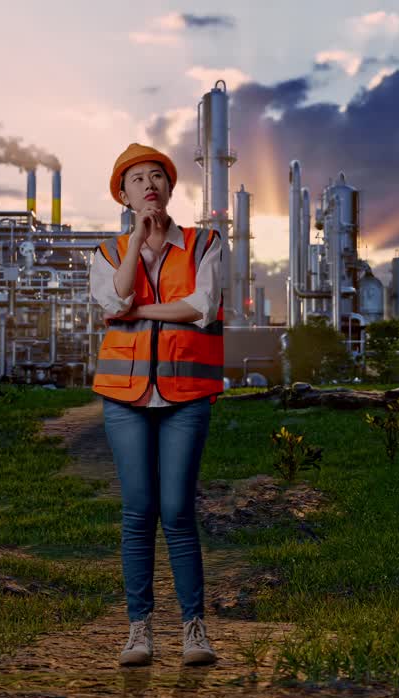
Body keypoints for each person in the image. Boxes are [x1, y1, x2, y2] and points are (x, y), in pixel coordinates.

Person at [89, 142, 225, 667]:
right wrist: (133, 249)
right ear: (123, 194)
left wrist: (139, 309)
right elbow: (113, 299)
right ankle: (139, 629)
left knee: (178, 511)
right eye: (137, 180)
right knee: (138, 512)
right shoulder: (104, 253)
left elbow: (201, 306)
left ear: (171, 187)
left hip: (186, 395)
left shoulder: (203, 243)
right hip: (124, 397)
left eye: (157, 177)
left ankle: (194, 629)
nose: (149, 185)